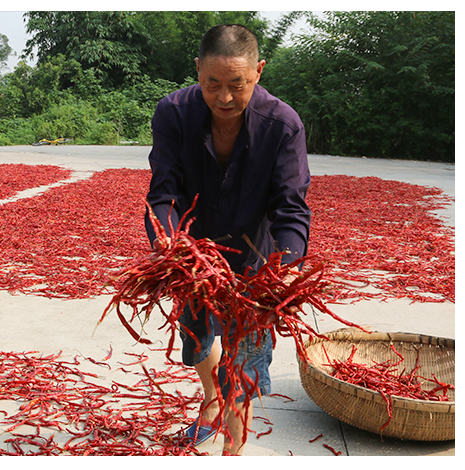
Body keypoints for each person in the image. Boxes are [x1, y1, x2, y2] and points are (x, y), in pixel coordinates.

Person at [145, 24, 311, 455]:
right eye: (211, 84)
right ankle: (211, 399)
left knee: (243, 364)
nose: (223, 98)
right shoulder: (173, 113)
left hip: (257, 257)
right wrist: (168, 243)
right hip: (191, 253)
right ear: (197, 70)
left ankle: (231, 454)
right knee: (196, 335)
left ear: (258, 71)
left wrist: (285, 269)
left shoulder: (283, 125)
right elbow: (163, 192)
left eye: (237, 85)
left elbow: (290, 207)